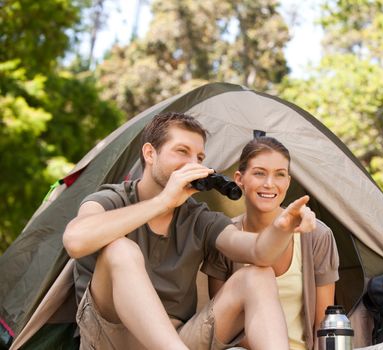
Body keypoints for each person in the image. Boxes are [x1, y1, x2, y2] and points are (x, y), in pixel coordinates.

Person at [62, 112, 317, 350]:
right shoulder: (111, 199)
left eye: (199, 158)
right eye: (182, 152)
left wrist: (282, 228)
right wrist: (163, 202)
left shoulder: (198, 217)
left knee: (257, 275)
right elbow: (75, 240)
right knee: (120, 249)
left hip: (180, 338)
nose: (193, 164)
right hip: (112, 338)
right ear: (150, 154)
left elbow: (258, 251)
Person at [203, 136, 340, 350]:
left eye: (280, 175)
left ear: (288, 182)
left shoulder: (316, 234)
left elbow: (324, 324)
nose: (269, 184)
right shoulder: (224, 235)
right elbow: (224, 326)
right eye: (259, 173)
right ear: (239, 179)